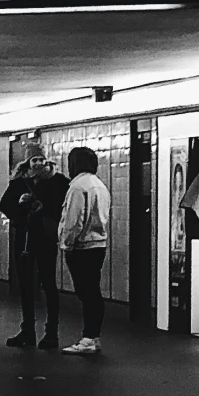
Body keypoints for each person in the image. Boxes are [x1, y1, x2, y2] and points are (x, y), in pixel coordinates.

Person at [0, 141, 69, 350]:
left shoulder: (59, 182)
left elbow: (63, 208)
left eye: (41, 159)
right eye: (34, 160)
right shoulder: (19, 183)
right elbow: (5, 206)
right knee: (26, 285)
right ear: (27, 162)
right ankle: (27, 330)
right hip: (25, 238)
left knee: (48, 284)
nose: (38, 163)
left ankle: (51, 332)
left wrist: (43, 208)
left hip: (46, 238)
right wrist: (20, 205)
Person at [59, 145, 112, 355]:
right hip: (99, 244)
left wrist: (66, 244)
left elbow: (73, 221)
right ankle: (93, 336)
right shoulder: (100, 185)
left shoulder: (77, 187)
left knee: (86, 293)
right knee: (93, 292)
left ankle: (89, 337)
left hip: (82, 247)